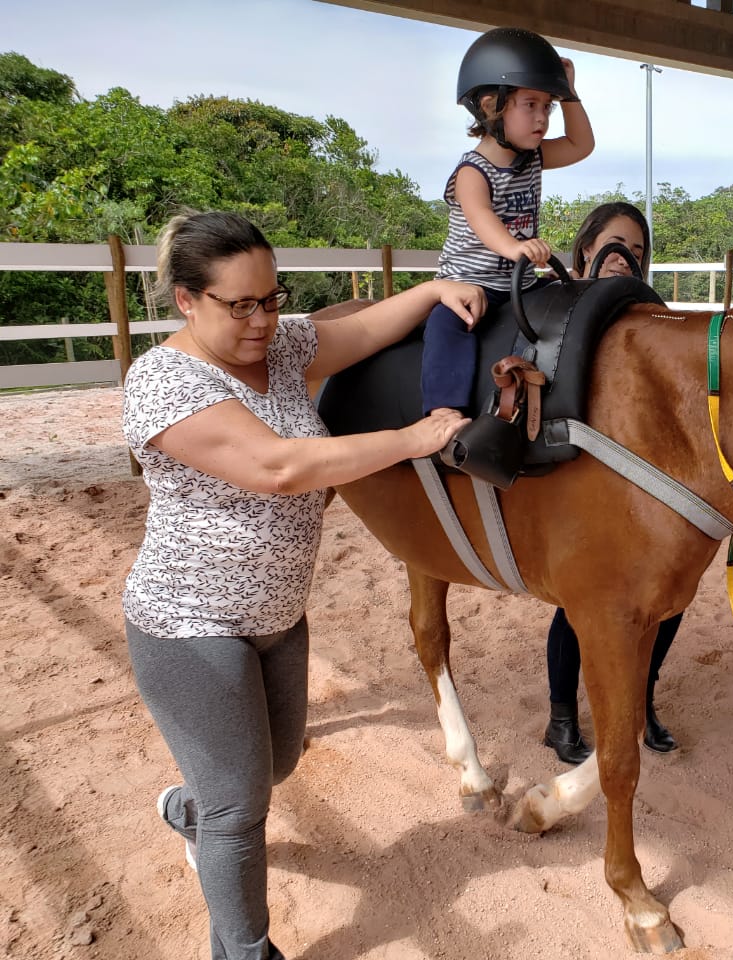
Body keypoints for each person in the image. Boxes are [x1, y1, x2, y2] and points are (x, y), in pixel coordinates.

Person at [124, 211, 478, 960]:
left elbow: (368, 330)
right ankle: (245, 950)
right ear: (188, 300)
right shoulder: (162, 380)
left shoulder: (279, 346)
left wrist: (435, 288)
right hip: (189, 622)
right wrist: (415, 439)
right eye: (239, 304)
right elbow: (278, 466)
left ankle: (188, 808)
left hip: (279, 614)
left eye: (271, 297)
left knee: (275, 764)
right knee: (241, 807)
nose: (261, 319)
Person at [541, 201, 686, 764]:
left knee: (667, 601)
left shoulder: (648, 313)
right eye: (617, 244)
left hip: (639, 475)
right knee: (578, 603)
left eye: (639, 251)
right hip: (575, 469)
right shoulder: (557, 305)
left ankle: (640, 702)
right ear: (586, 247)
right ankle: (560, 718)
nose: (626, 257)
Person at [420, 26, 594, 423]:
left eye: (546, 106)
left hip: (519, 281)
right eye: (530, 104)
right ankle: (443, 409)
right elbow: (482, 219)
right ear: (491, 106)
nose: (542, 118)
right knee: (447, 328)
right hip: (468, 285)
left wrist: (569, 95)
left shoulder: (533, 156)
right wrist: (514, 247)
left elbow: (582, 145)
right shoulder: (472, 171)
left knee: (574, 299)